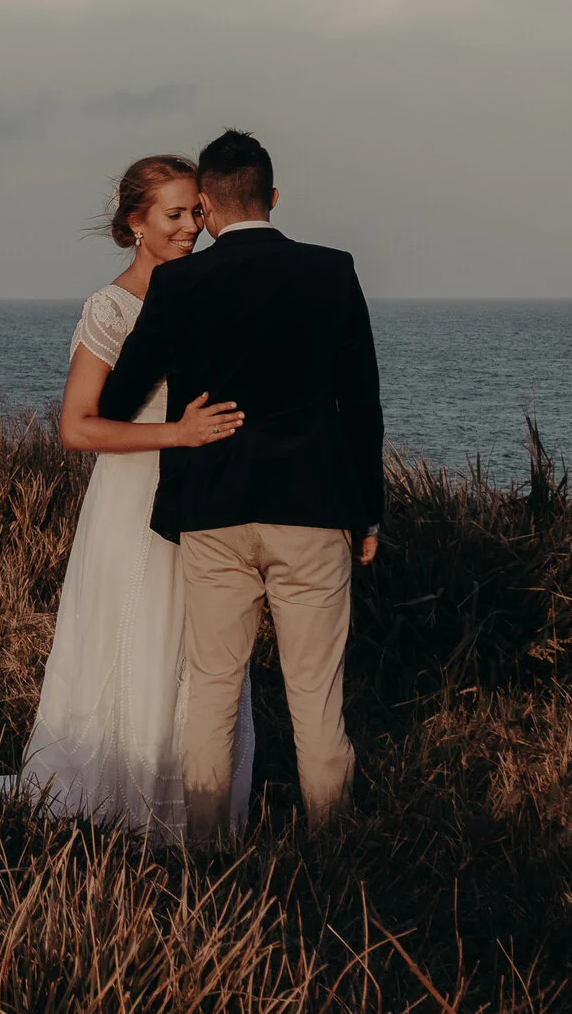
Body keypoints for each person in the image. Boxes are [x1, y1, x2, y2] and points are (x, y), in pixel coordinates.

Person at [100, 130, 384, 844]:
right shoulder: (332, 271)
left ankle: (204, 853)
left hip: (214, 512)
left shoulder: (179, 284)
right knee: (316, 696)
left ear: (206, 205)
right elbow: (362, 403)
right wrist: (368, 514)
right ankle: (333, 853)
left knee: (212, 690)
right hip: (312, 512)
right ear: (274, 197)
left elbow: (117, 400)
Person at [3, 154, 255, 844]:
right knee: (138, 639)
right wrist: (178, 433)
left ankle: (201, 810)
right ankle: (127, 802)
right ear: (136, 222)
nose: (191, 227)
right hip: (131, 502)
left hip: (204, 506)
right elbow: (76, 427)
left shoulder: (208, 296)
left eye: (197, 212)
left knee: (200, 650)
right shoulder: (111, 307)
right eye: (174, 214)